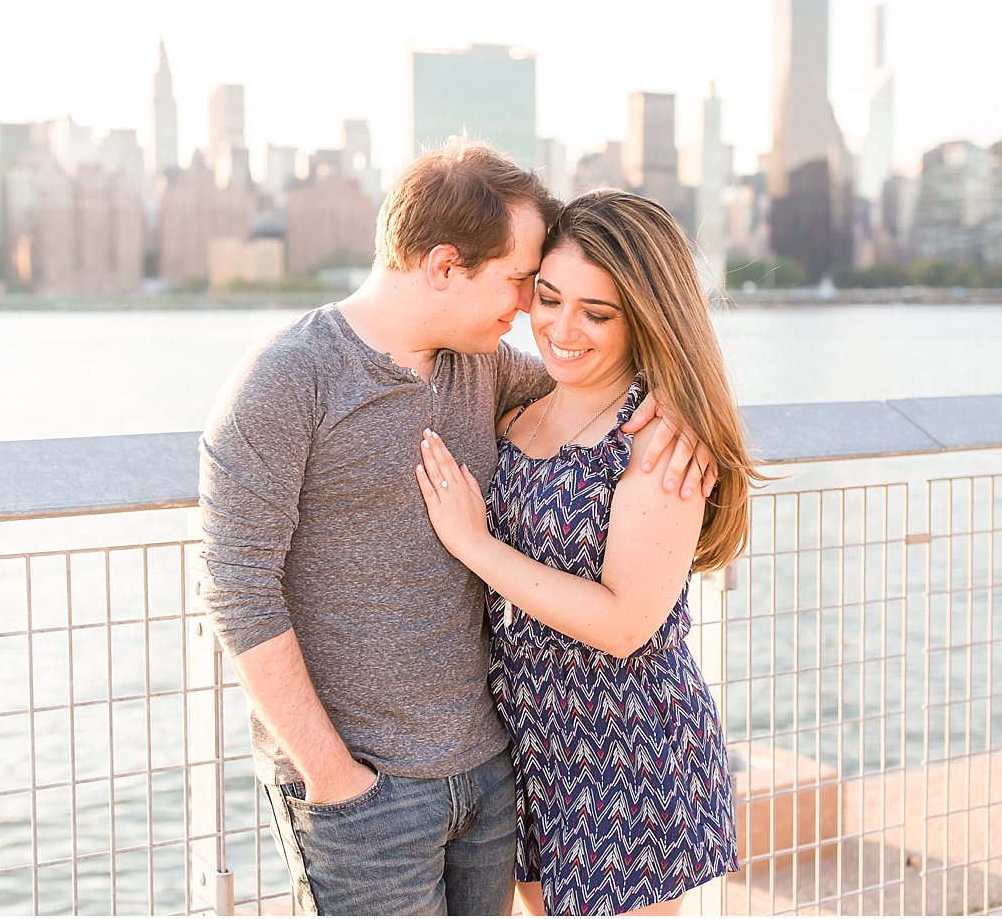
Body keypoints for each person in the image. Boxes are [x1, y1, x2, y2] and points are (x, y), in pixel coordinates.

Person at [198, 143, 712, 916]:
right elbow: (238, 593)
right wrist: (334, 777)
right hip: (365, 793)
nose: (529, 312)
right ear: (444, 266)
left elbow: (602, 392)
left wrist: (672, 413)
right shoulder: (285, 380)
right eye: (522, 284)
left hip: (493, 774)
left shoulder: (485, 368)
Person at [415, 188, 761, 916]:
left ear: (644, 315)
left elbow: (625, 622)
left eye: (596, 313)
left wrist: (474, 544)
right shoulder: (518, 402)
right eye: (547, 298)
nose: (561, 329)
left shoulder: (655, 439)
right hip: (532, 746)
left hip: (627, 753)